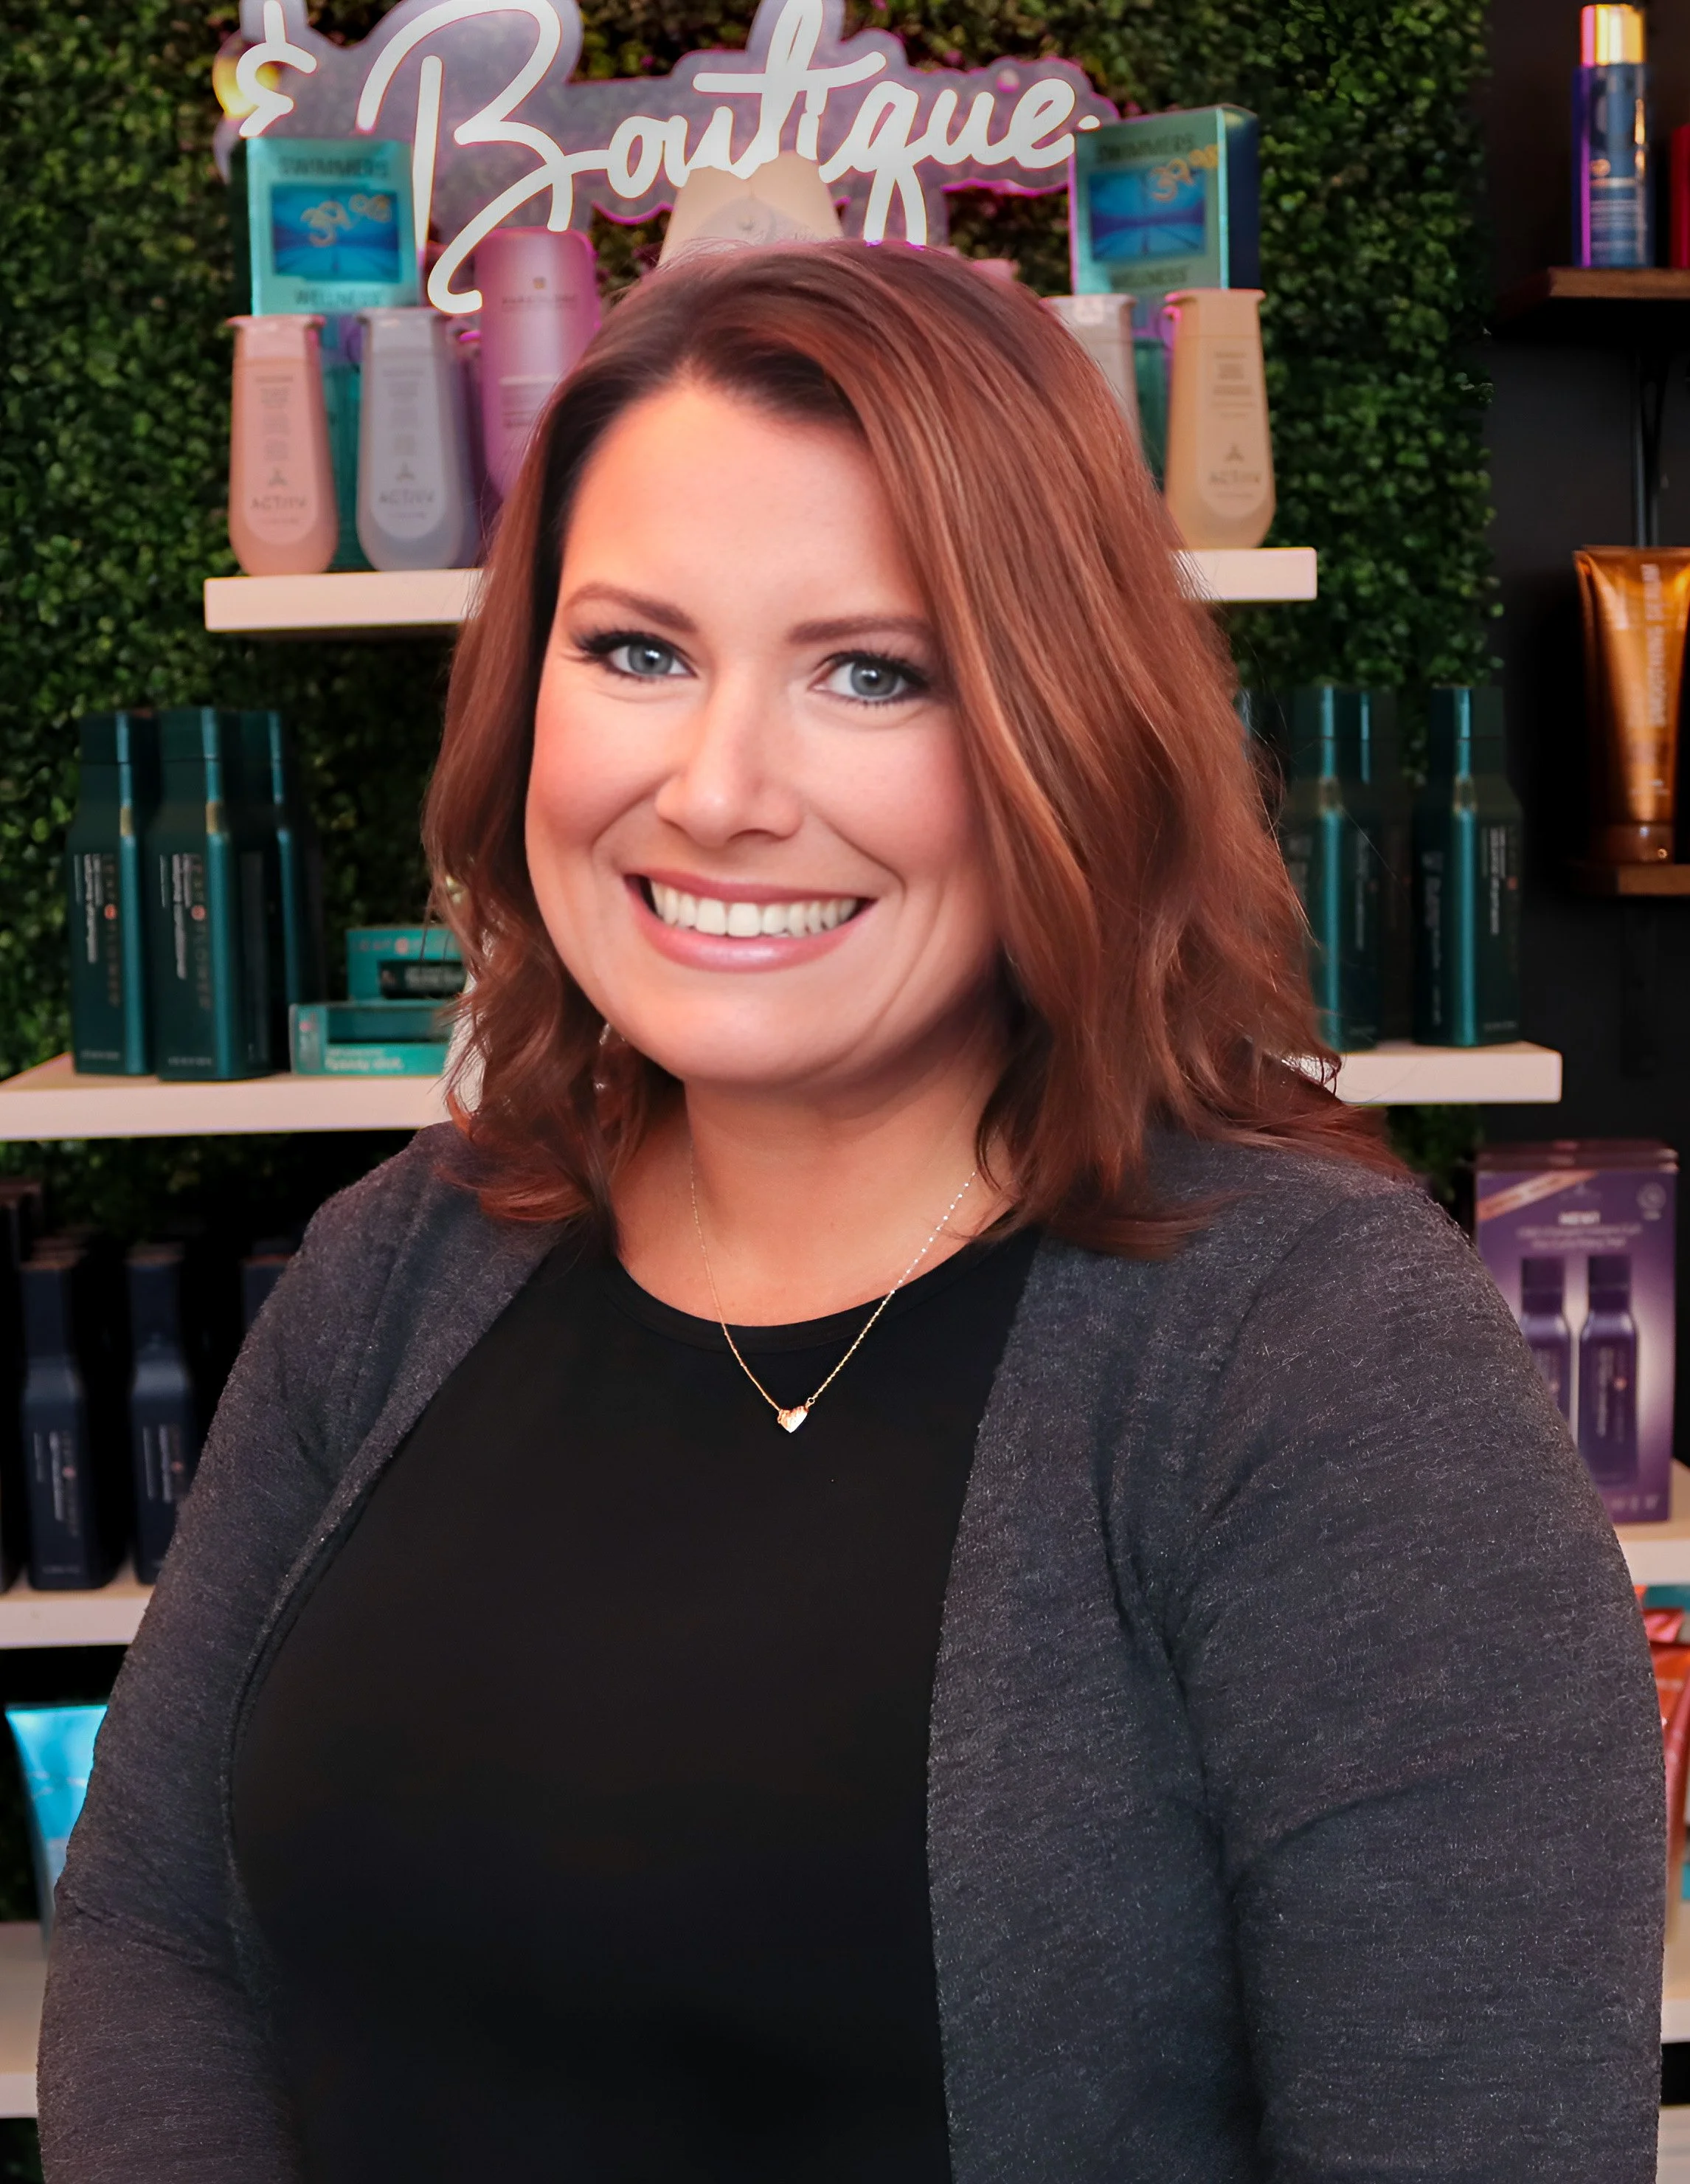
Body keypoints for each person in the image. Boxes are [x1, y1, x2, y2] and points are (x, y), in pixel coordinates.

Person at [40, 243, 1660, 2183]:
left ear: (1064, 734)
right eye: (637, 651)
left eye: (872, 673)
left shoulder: (1321, 1362)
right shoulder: (405, 1257)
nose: (719, 791)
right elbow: (154, 1932)